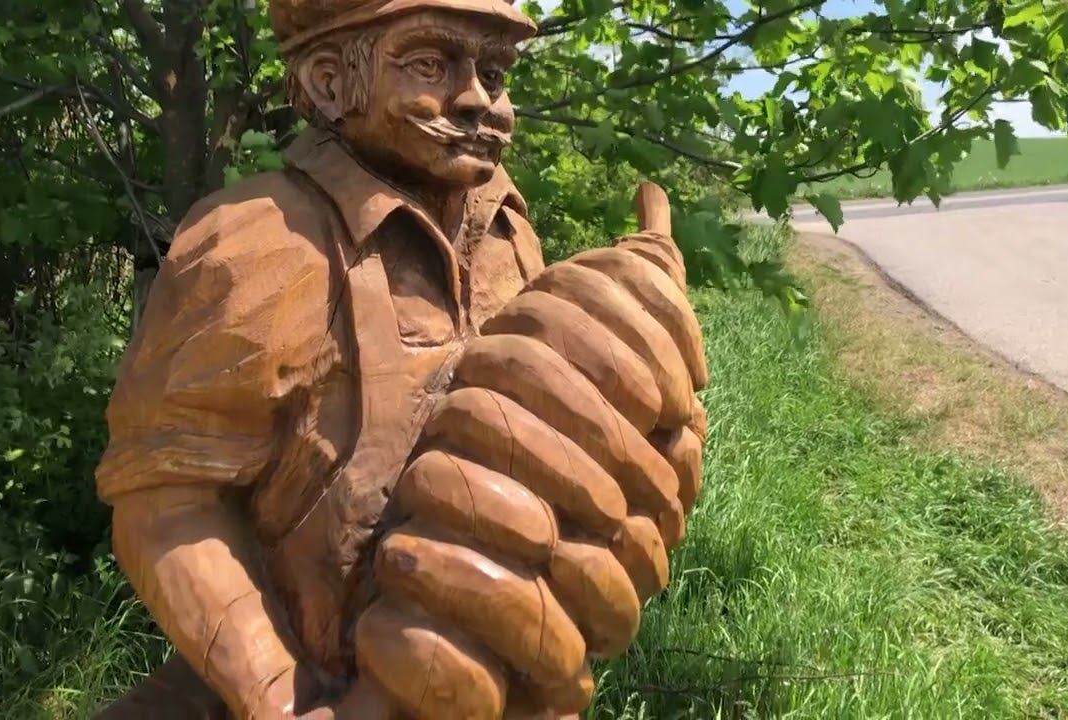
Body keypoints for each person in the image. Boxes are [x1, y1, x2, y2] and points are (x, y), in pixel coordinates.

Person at [93, 0, 707, 716]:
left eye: (496, 72)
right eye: (430, 64)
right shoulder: (254, 243)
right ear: (329, 81)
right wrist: (282, 699)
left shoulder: (509, 233)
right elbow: (165, 505)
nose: (480, 98)